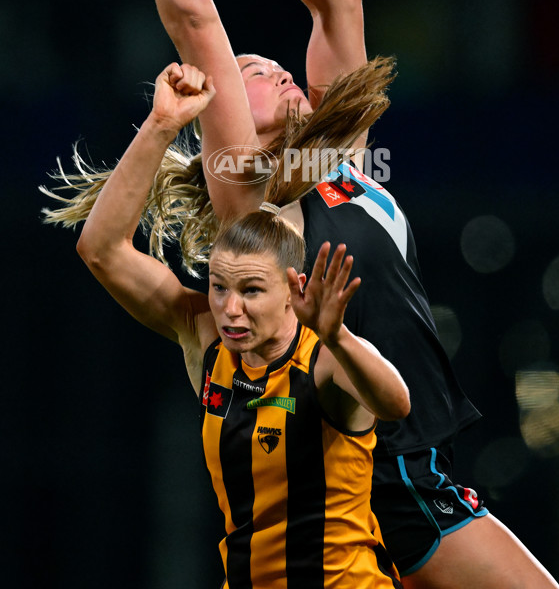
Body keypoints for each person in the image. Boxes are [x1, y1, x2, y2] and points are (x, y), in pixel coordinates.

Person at [46, 0, 559, 587]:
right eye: (251, 74)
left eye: (276, 65)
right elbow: (196, 22)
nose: (277, 69)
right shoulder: (249, 197)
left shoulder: (341, 155)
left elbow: (338, 0)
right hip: (374, 474)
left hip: (415, 456)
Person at [72, 60, 409, 588]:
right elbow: (101, 250)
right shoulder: (207, 341)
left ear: (293, 289)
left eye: (251, 291)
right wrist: (162, 124)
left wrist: (339, 335)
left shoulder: (323, 358)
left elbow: (395, 404)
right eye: (219, 287)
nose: (230, 309)